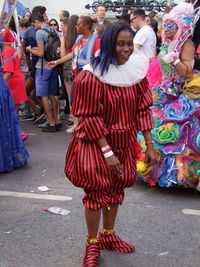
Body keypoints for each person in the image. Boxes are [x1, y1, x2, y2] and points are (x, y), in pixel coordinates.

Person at [64, 22, 156, 267]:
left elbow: (143, 108)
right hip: (96, 142)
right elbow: (89, 116)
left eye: (129, 44)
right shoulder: (90, 77)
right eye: (120, 44)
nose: (126, 49)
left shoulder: (136, 74)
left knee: (117, 189)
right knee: (96, 193)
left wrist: (149, 143)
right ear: (108, 45)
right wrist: (107, 152)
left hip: (124, 141)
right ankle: (92, 243)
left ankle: (108, 234)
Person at [137, 3, 200, 190]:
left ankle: (180, 173)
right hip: (164, 92)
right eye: (166, 25)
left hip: (182, 93)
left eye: (171, 25)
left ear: (181, 26)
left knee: (182, 135)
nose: (166, 29)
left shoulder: (186, 44)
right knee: (153, 127)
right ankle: (158, 170)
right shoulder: (166, 43)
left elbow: (187, 72)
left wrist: (176, 58)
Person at [47, 16, 101, 133]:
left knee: (89, 104)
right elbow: (72, 53)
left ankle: (90, 128)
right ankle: (79, 125)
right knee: (75, 102)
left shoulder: (96, 40)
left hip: (89, 79)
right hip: (77, 76)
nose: (75, 27)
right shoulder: (79, 39)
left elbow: (99, 61)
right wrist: (57, 62)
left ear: (86, 26)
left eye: (78, 25)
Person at [0, 34, 29, 172]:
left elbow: (9, 70)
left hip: (10, 84)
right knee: (11, 115)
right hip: (12, 83)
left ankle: (20, 134)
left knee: (10, 115)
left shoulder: (6, 51)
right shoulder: (9, 50)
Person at [27, 12, 59, 132]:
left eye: (33, 24)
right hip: (53, 66)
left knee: (44, 96)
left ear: (36, 21)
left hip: (43, 67)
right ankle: (56, 121)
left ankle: (51, 123)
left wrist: (30, 50)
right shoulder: (53, 31)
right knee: (52, 95)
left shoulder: (40, 32)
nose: (33, 26)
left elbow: (40, 53)